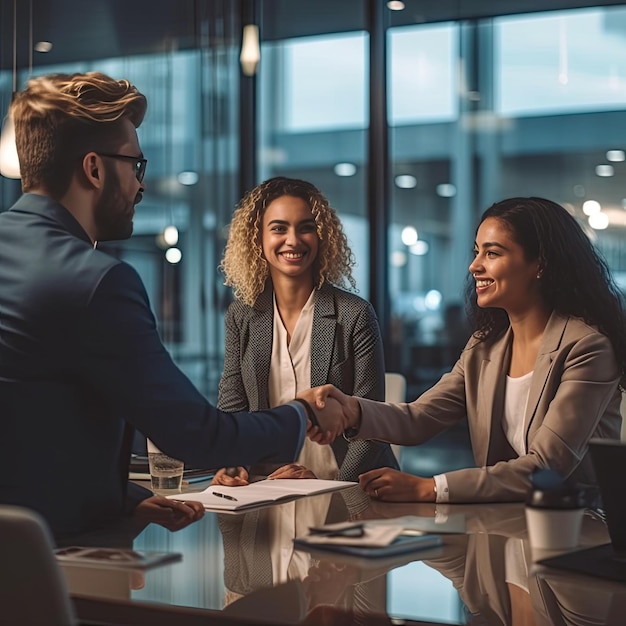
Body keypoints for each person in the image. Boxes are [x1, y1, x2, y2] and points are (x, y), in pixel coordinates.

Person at [0, 72, 347, 539]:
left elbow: (28, 429)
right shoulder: (97, 281)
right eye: (135, 166)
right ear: (94, 169)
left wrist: (126, 497)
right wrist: (302, 414)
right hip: (51, 566)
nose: (140, 187)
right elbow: (196, 436)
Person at [303, 197, 626, 503]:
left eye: (493, 253)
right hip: (506, 517)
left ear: (539, 264)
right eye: (476, 252)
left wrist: (433, 487)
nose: (474, 266)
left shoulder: (586, 347)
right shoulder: (485, 346)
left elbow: (546, 467)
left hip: (578, 526)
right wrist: (350, 410)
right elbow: (420, 418)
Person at [212, 176, 398, 487]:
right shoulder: (241, 316)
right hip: (265, 486)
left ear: (322, 236)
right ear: (257, 238)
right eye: (279, 228)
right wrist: (233, 465)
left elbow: (372, 426)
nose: (293, 240)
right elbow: (233, 410)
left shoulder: (355, 315)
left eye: (306, 227)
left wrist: (328, 484)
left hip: (345, 486)